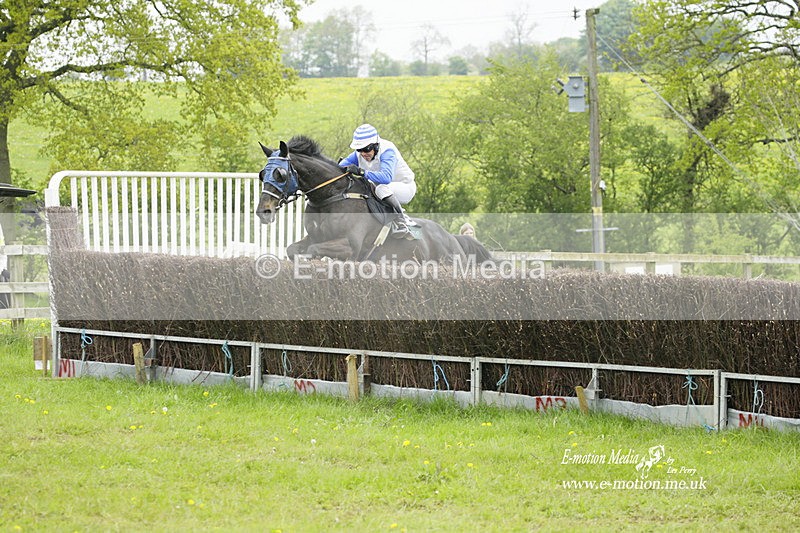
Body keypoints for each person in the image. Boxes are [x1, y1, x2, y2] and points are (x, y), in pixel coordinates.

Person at [339, 124, 417, 239]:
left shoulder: (387, 150)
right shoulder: (359, 154)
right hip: (383, 191)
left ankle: (402, 221)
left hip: (405, 187)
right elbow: (341, 165)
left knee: (381, 188)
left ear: (376, 145)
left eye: (366, 149)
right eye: (359, 150)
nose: (363, 153)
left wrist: (361, 172)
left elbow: (386, 178)